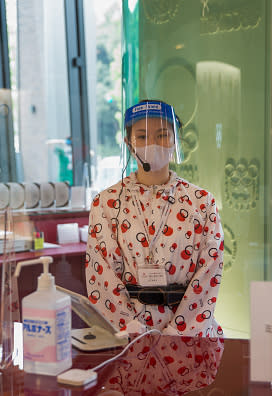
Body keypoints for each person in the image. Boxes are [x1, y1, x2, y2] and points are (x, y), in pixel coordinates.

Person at [85, 99, 224, 337]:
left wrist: (178, 334)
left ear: (175, 141)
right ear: (129, 144)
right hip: (127, 335)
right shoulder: (106, 203)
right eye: (142, 136)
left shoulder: (201, 202)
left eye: (162, 135)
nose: (153, 144)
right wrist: (131, 330)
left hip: (190, 333)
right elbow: (101, 274)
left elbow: (209, 273)